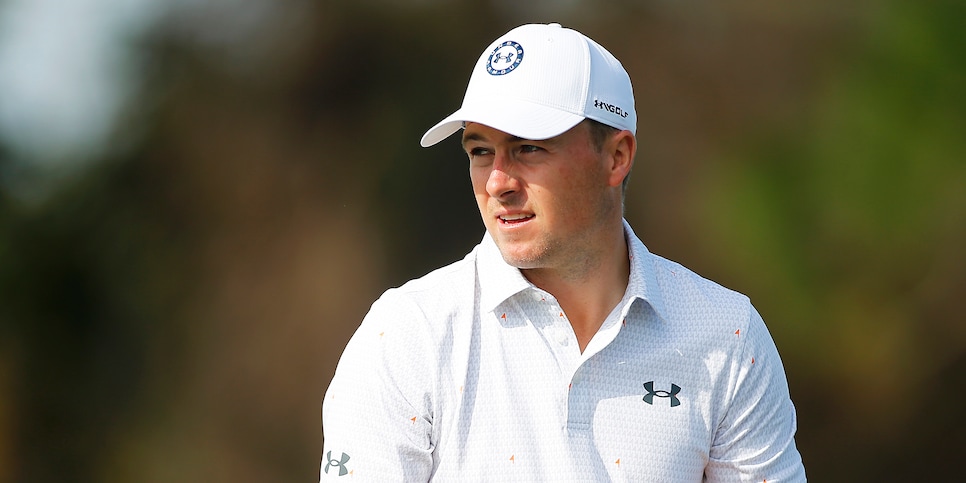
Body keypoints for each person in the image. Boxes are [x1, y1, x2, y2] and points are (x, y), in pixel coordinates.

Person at [321, 23, 806, 482]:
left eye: (529, 149)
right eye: (480, 151)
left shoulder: (727, 336)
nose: (497, 183)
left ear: (617, 156)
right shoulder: (407, 334)